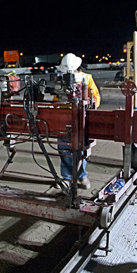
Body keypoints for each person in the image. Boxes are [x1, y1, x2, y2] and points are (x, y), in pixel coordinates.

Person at [57, 53, 101, 190]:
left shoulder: (87, 78)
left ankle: (81, 175)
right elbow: (56, 99)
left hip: (82, 119)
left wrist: (87, 105)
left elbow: (96, 98)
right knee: (64, 149)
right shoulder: (60, 80)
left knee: (81, 150)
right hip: (65, 119)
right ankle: (67, 178)